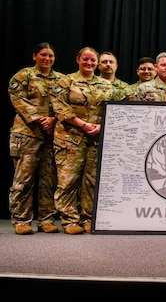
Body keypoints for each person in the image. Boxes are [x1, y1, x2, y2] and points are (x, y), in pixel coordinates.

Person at [51, 47, 119, 234]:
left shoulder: (106, 85)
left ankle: (88, 218)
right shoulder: (65, 81)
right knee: (68, 181)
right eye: (86, 59)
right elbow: (60, 108)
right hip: (70, 138)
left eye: (92, 60)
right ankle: (69, 220)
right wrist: (83, 125)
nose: (89, 63)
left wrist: (102, 125)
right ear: (78, 60)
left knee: (91, 181)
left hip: (95, 139)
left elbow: (114, 109)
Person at [8, 42, 63, 234]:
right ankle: (21, 219)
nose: (47, 59)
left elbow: (65, 104)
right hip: (27, 134)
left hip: (51, 136)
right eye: (43, 55)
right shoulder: (24, 76)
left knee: (48, 179)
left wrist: (54, 119)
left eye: (50, 56)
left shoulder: (61, 80)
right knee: (24, 179)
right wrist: (41, 119)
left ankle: (46, 219)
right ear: (34, 56)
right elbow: (17, 98)